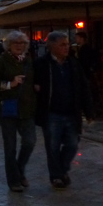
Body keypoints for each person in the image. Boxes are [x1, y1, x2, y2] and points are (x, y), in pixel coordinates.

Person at [34, 31, 94, 190]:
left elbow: (83, 87)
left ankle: (62, 169)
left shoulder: (73, 63)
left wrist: (88, 111)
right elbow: (33, 84)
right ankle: (57, 176)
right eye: (62, 44)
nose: (66, 47)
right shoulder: (42, 64)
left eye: (67, 44)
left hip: (71, 112)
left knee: (72, 144)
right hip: (51, 113)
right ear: (51, 46)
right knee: (52, 146)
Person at [0, 32, 36, 193]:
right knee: (10, 147)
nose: (19, 45)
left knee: (29, 142)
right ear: (9, 45)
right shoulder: (2, 61)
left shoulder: (28, 61)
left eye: (22, 43)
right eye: (16, 43)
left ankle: (19, 169)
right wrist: (10, 84)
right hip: (7, 108)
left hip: (26, 109)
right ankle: (14, 180)